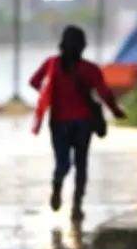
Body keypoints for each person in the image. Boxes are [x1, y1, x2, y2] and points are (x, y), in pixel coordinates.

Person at [30, 25, 126, 221]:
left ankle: (57, 184)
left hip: (57, 122)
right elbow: (104, 93)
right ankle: (77, 207)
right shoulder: (90, 69)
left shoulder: (52, 64)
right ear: (82, 46)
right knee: (81, 165)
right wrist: (116, 111)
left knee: (62, 163)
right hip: (83, 123)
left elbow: (34, 82)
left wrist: (48, 93)